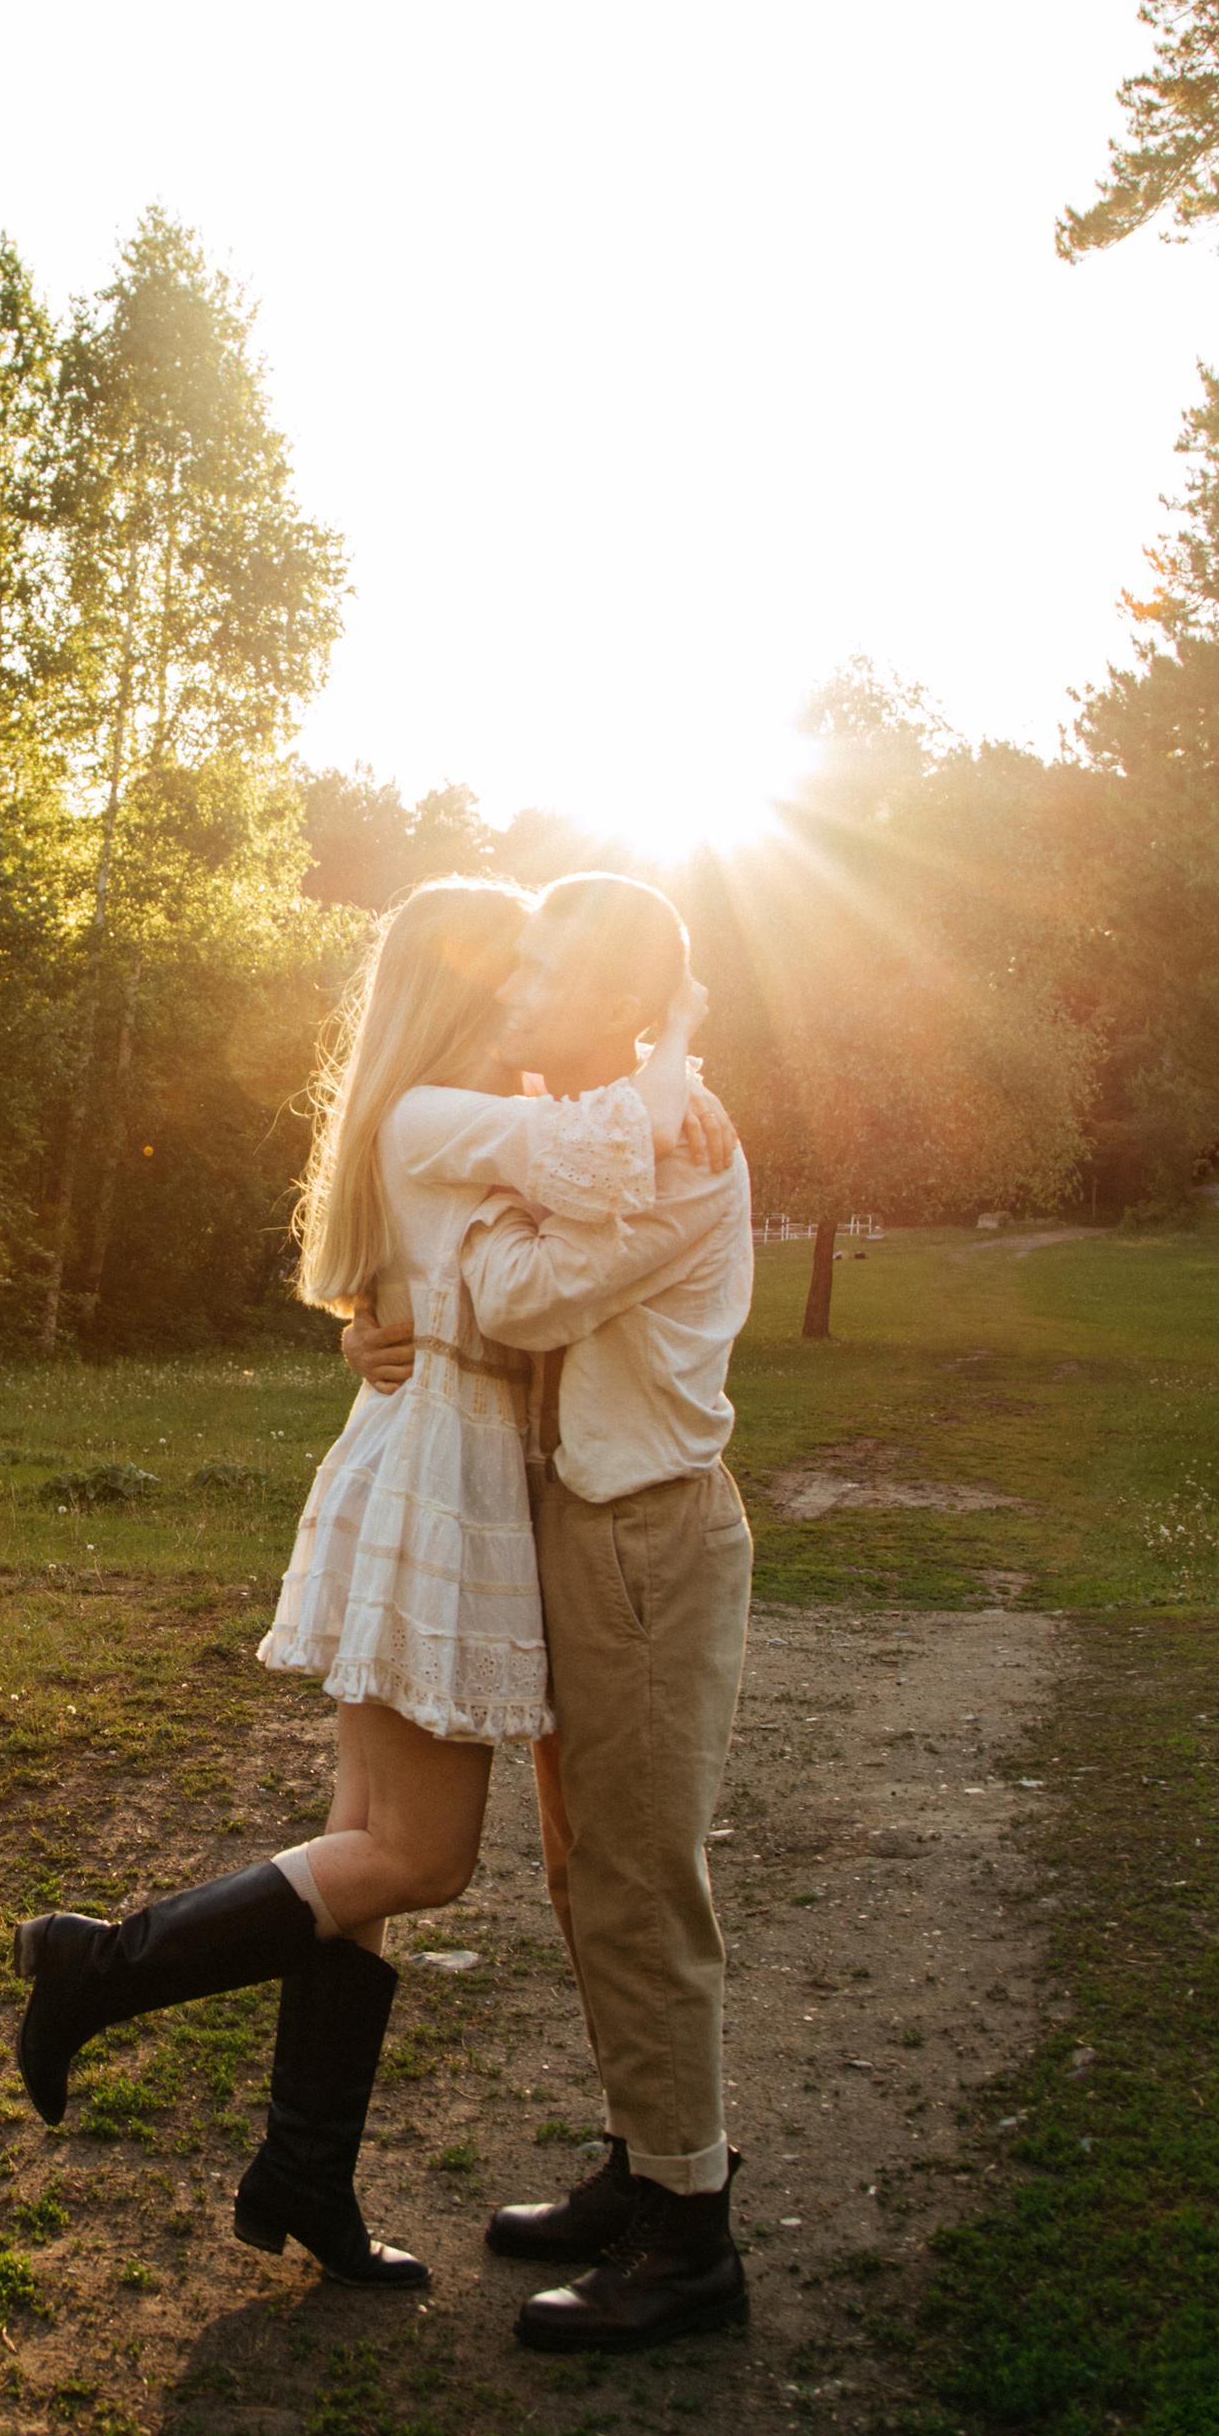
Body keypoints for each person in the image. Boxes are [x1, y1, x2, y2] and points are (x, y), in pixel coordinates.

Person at [11, 876, 734, 2294]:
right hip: (437, 1479)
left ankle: (302, 2173)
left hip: (437, 1460)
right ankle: (101, 1964)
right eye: (511, 965)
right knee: (420, 1855)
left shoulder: (464, 1115)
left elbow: (542, 1207)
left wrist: (385, 1327)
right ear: (462, 986)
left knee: (364, 1852)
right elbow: (602, 1160)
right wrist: (676, 1037)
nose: (530, 984)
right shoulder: (446, 1116)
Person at [341, 872, 755, 2356]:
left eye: (550, 972)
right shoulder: (578, 1124)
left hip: (646, 1537)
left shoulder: (687, 1154)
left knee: (643, 1880)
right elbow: (444, 1253)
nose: (515, 991)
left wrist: (442, 1277)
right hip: (572, 1528)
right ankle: (646, 2163)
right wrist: (371, 1322)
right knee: (588, 1879)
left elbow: (513, 1299)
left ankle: (691, 2239)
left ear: (629, 1008)